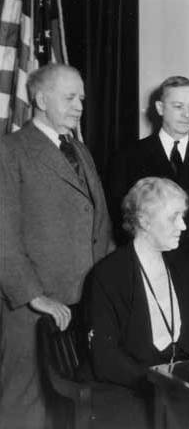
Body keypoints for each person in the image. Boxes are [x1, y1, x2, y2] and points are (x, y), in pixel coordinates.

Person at [0, 63, 113, 428]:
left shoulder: (79, 150)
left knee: (70, 409)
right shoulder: (9, 150)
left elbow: (99, 225)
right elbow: (2, 233)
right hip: (32, 307)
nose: (79, 104)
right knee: (26, 406)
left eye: (81, 97)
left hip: (81, 302)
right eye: (69, 97)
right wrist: (33, 295)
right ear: (40, 98)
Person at [109, 76, 189, 335]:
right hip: (151, 271)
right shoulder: (130, 156)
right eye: (178, 106)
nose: (187, 115)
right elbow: (122, 219)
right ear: (160, 108)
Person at [86, 177, 189, 427]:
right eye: (174, 217)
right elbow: (106, 359)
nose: (183, 226)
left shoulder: (182, 265)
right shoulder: (108, 274)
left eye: (183, 216)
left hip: (180, 389)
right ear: (144, 221)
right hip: (130, 392)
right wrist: (160, 384)